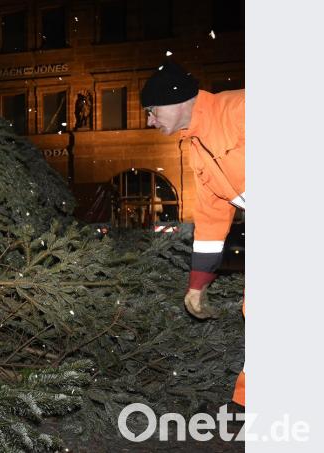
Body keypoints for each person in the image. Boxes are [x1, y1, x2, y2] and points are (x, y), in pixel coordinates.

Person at [140, 60, 245, 407]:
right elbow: (213, 215)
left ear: (177, 99)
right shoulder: (197, 145)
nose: (149, 121)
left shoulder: (240, 110)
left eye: (153, 112)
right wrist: (197, 284)